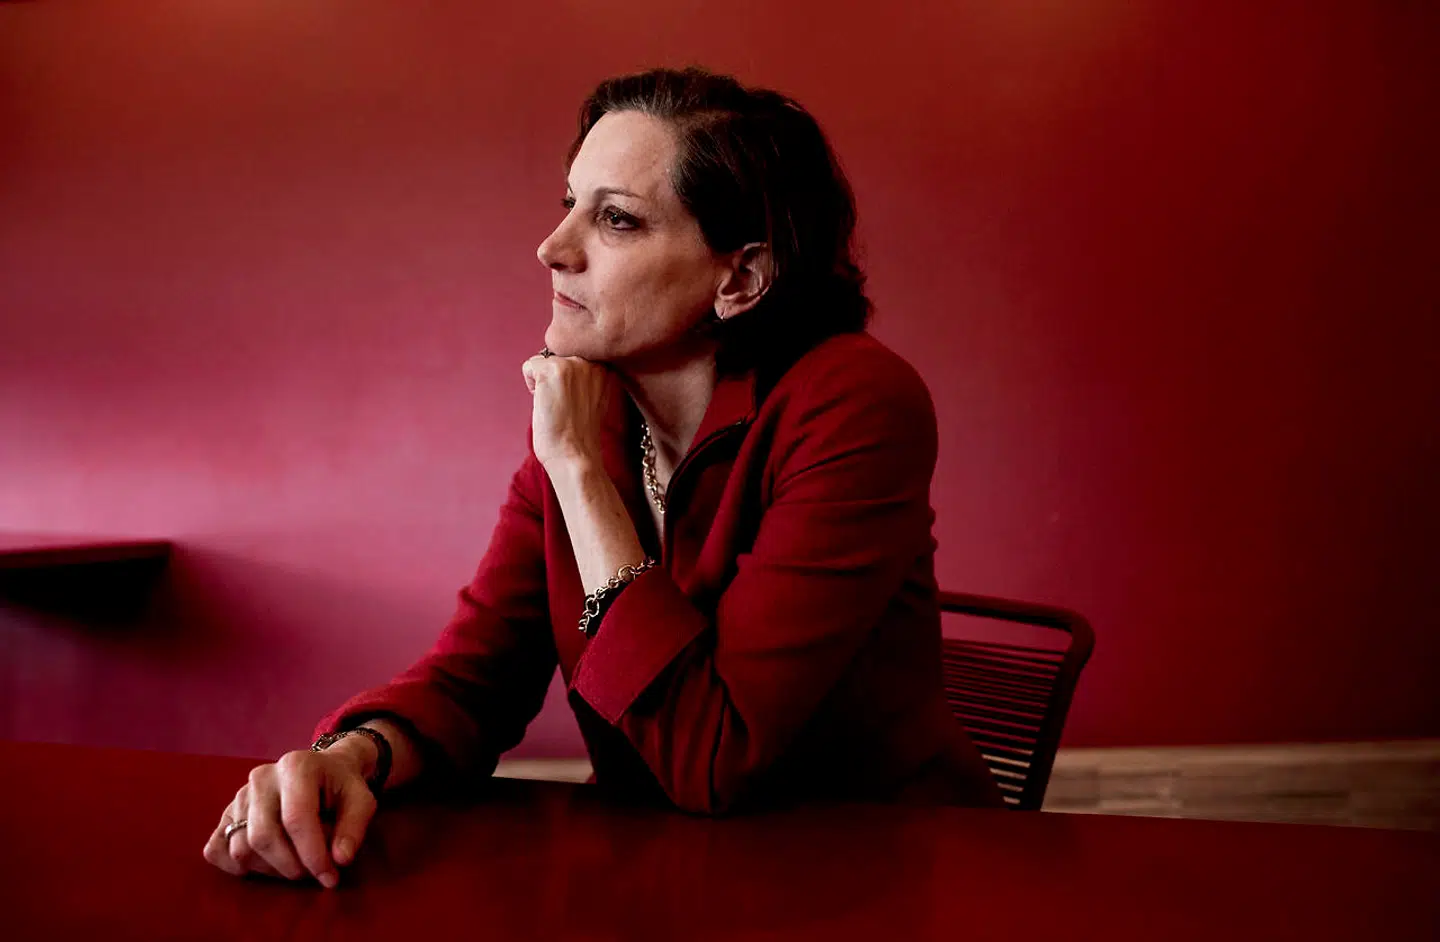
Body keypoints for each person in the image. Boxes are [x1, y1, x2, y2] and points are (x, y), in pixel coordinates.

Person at [203, 66, 1002, 888]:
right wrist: (352, 756)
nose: (553, 248)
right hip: (671, 875)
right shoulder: (594, 417)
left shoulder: (854, 402)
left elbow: (715, 757)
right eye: (569, 204)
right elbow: (476, 681)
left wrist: (578, 469)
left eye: (616, 218)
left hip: (875, 877)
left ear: (740, 279)